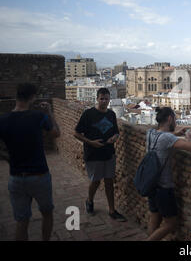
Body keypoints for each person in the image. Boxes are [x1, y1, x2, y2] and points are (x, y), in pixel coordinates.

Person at [0, 83, 60, 240]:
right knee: (47, 214)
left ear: (16, 96)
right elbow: (56, 133)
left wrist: (7, 157)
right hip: (39, 175)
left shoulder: (3, 120)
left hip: (16, 177)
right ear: (32, 97)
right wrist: (49, 112)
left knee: (21, 221)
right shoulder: (38, 117)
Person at [146, 107, 191, 241]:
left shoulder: (150, 133)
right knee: (170, 224)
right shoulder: (167, 138)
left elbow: (164, 138)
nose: (175, 122)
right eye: (175, 119)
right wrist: (189, 137)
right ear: (170, 119)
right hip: (163, 187)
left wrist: (176, 133)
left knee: (155, 218)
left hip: (151, 184)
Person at [74, 87, 126, 221]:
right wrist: (91, 142)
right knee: (95, 181)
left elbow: (116, 132)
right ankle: (89, 200)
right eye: (101, 98)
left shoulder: (111, 115)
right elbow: (76, 133)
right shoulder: (88, 114)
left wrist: (114, 138)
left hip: (108, 153)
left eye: (106, 99)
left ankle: (112, 210)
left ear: (109, 100)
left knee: (109, 181)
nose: (104, 101)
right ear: (97, 99)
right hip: (93, 154)